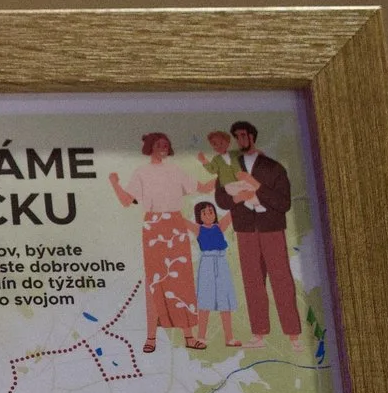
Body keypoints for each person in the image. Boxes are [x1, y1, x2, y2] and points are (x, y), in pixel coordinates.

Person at [108, 133, 211, 352]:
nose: (163, 147)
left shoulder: (176, 170)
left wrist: (226, 178)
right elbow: (126, 201)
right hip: (154, 226)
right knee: (154, 282)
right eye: (158, 144)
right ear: (150, 147)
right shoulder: (141, 172)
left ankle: (188, 336)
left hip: (175, 225)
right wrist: (114, 183)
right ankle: (151, 337)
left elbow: (203, 187)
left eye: (166, 144)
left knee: (181, 280)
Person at [214, 119, 301, 347]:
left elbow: (284, 203)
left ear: (253, 136)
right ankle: (259, 334)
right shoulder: (229, 166)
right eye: (237, 136)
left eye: (244, 135)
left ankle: (293, 334)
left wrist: (256, 186)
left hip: (272, 229)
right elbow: (221, 199)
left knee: (282, 279)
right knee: (252, 282)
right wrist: (237, 197)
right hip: (245, 231)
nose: (240, 140)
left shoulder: (273, 167)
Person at [191, 200, 239, 347]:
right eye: (204, 213)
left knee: (225, 302)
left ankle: (229, 338)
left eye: (211, 212)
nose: (208, 215)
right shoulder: (198, 229)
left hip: (221, 264)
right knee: (205, 301)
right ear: (199, 216)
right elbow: (182, 221)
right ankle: (201, 336)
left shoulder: (219, 227)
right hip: (206, 265)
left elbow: (231, 213)